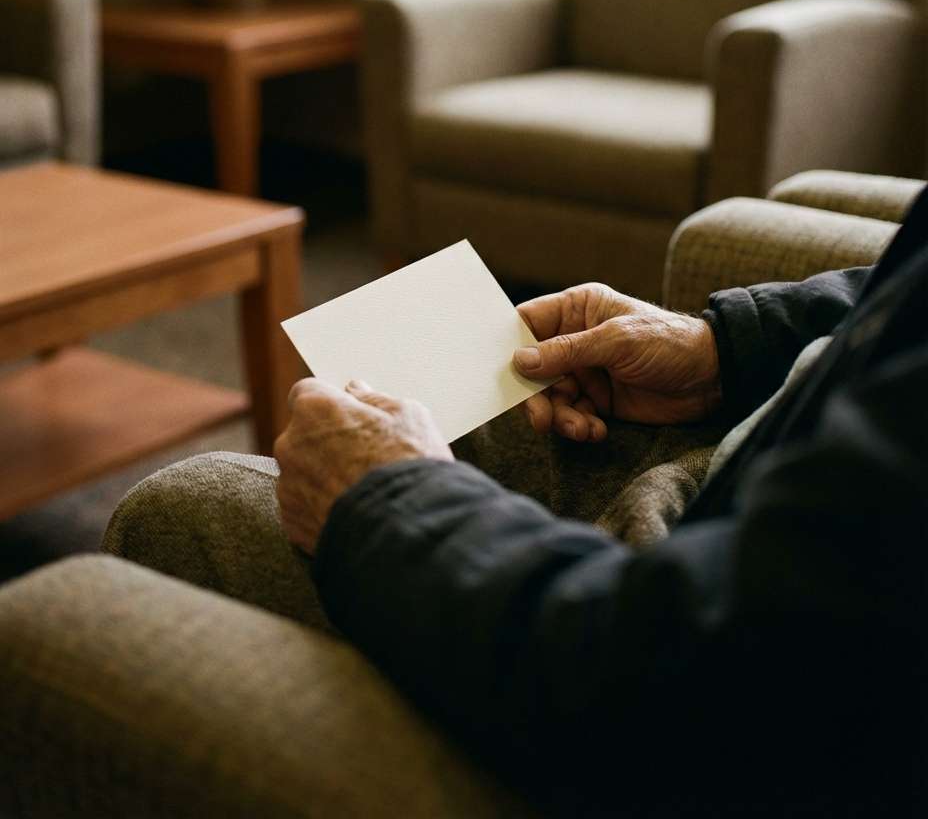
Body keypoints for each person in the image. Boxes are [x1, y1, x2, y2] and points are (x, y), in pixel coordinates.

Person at [107, 187, 928, 819]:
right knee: (493, 388)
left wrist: (391, 501)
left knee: (184, 508)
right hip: (765, 456)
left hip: (675, 637)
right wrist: (723, 349)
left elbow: (694, 689)